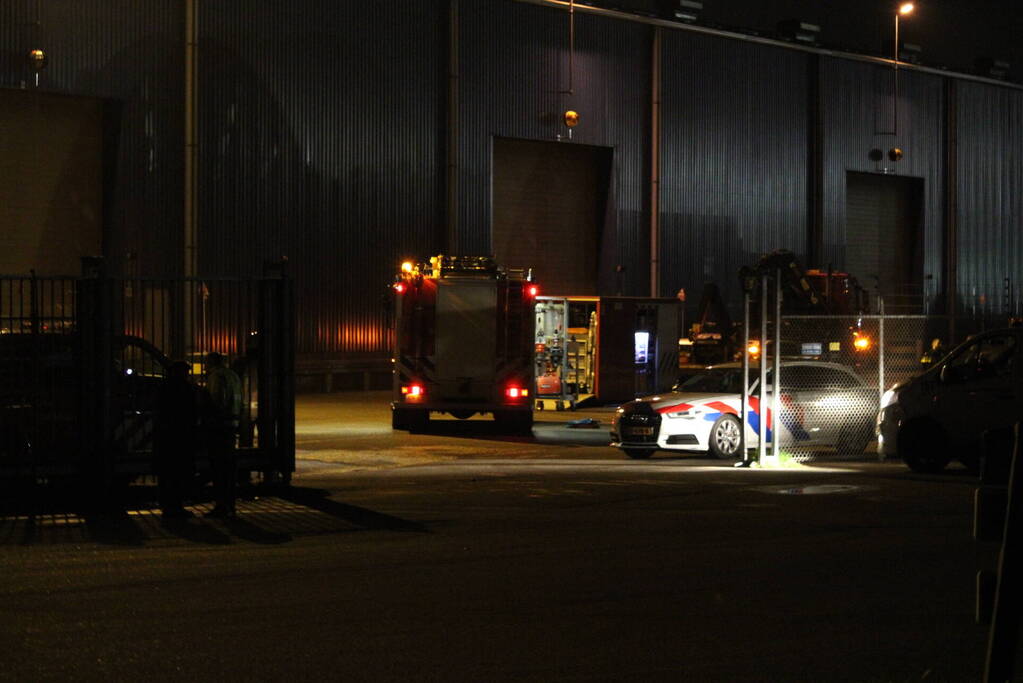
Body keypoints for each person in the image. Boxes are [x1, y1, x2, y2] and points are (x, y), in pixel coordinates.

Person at [154, 361, 199, 519]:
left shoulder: (163, 388)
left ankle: (168, 506)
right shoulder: (187, 389)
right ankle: (176, 506)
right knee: (180, 473)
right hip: (182, 437)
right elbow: (193, 412)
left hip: (166, 438)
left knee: (167, 474)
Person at [204, 351, 243, 517]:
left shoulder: (216, 377)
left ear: (211, 363)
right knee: (229, 468)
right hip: (232, 424)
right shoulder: (233, 375)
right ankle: (230, 504)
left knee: (219, 468)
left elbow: (216, 400)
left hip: (219, 426)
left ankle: (221, 505)